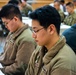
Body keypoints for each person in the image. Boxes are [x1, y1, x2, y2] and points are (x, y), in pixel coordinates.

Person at [25, 5, 76, 75]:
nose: (33, 35)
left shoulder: (64, 62)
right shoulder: (39, 48)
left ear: (51, 29)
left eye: (36, 30)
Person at [0, 4, 36, 75]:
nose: (5, 26)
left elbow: (20, 67)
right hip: (4, 67)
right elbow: (5, 53)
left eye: (6, 23)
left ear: (15, 19)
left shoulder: (26, 39)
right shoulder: (13, 31)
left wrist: (2, 70)